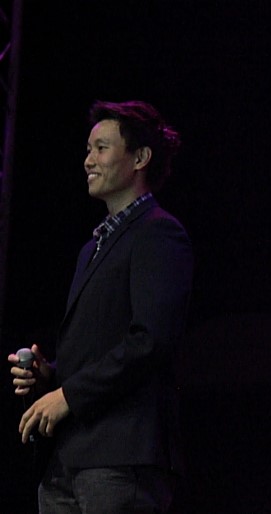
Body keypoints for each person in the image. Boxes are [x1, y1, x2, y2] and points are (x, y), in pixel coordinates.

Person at [7, 100, 193, 513]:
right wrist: (50, 375)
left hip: (120, 460)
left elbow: (150, 340)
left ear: (140, 158)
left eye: (102, 149)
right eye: (88, 149)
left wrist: (68, 395)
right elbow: (101, 346)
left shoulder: (158, 234)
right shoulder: (92, 247)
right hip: (69, 458)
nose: (88, 160)